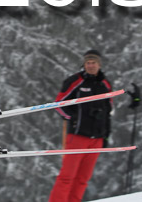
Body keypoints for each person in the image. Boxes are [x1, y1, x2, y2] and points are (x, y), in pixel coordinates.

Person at [48, 50, 112, 202]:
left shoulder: (105, 84)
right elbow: (58, 104)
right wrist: (75, 118)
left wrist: (106, 135)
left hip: (97, 138)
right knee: (67, 176)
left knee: (83, 179)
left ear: (99, 64)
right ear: (84, 64)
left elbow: (108, 111)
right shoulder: (75, 81)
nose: (90, 66)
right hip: (77, 136)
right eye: (87, 63)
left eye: (93, 63)